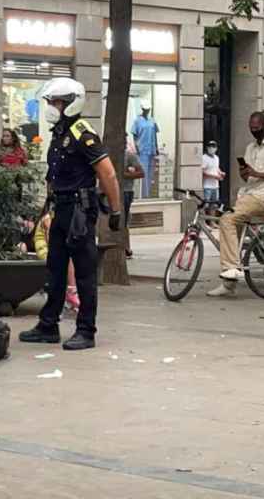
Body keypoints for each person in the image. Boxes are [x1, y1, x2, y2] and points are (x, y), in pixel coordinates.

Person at [18, 78, 123, 351]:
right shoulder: (59, 132)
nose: (52, 107)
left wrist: (115, 209)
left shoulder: (81, 131)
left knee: (85, 273)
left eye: (56, 102)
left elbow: (107, 172)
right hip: (61, 208)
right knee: (55, 268)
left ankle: (86, 330)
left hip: (79, 210)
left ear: (70, 103)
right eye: (51, 102)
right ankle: (48, 325)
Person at [207, 112, 264, 298]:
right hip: (246, 195)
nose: (254, 132)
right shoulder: (250, 148)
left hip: (262, 197)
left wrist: (258, 174)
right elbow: (247, 176)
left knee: (227, 220)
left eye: (257, 128)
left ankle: (231, 268)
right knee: (231, 232)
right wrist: (245, 172)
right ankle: (229, 285)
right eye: (251, 128)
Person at [121, 146, 144, 258]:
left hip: (126, 191)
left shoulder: (129, 156)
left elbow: (141, 173)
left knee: (123, 220)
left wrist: (125, 175)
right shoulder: (107, 153)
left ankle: (126, 247)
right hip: (110, 190)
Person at [132, 106, 159, 199]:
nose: (147, 111)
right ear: (142, 109)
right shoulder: (137, 121)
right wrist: (136, 147)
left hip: (151, 149)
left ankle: (148, 194)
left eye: (148, 109)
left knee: (150, 173)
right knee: (143, 172)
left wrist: (157, 147)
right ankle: (142, 195)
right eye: (145, 109)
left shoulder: (152, 120)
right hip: (142, 150)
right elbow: (134, 136)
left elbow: (155, 135)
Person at [202, 139, 225, 205]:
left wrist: (221, 173)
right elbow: (202, 172)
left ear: (216, 148)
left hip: (215, 186)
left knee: (214, 205)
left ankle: (212, 215)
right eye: (210, 146)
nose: (212, 148)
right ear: (207, 147)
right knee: (205, 205)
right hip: (207, 186)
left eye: (213, 146)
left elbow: (216, 168)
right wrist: (214, 176)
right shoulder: (204, 158)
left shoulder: (216, 158)